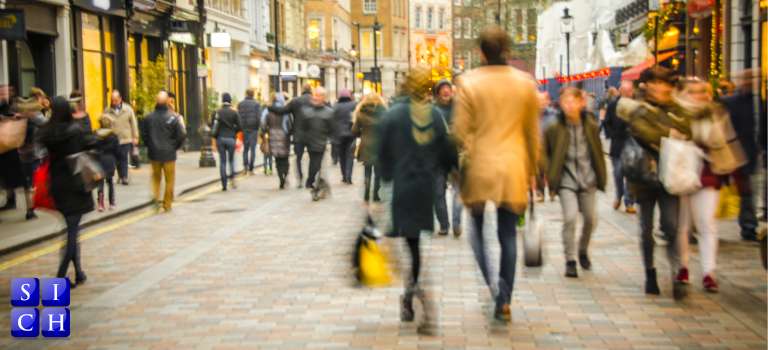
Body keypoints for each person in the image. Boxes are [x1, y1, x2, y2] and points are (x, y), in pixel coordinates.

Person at [453, 27, 540, 321]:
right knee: (507, 236)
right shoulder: (525, 84)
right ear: (508, 50)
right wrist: (534, 170)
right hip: (514, 167)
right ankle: (505, 297)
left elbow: (459, 131)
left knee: (476, 229)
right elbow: (532, 133)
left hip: (480, 166)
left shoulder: (468, 82)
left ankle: (491, 284)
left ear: (480, 52)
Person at [377, 65, 458, 335]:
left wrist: (381, 187)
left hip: (402, 188)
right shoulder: (433, 114)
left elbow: (382, 158)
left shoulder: (392, 115)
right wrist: (447, 170)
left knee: (409, 247)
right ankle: (412, 297)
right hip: (424, 188)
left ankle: (413, 298)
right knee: (414, 248)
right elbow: (448, 152)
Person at [617, 66, 689, 296]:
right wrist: (669, 132)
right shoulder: (637, 108)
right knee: (646, 228)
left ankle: (677, 273)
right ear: (646, 85)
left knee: (671, 225)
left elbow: (688, 130)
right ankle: (650, 272)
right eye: (655, 83)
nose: (660, 88)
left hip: (670, 176)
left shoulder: (677, 108)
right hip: (643, 176)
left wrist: (665, 130)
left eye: (664, 83)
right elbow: (643, 132)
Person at [543, 87, 606, 278]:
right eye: (565, 102)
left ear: (582, 102)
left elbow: (597, 151)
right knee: (569, 218)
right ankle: (570, 259)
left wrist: (601, 175)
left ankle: (583, 249)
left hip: (588, 179)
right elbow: (545, 152)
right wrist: (548, 173)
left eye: (572, 101)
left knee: (590, 219)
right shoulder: (554, 127)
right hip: (566, 180)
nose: (569, 106)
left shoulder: (591, 125)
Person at [673, 77, 727, 297]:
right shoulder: (675, 114)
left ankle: (709, 272)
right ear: (683, 93)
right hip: (680, 174)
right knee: (682, 226)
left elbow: (722, 143)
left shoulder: (714, 113)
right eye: (693, 92)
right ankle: (682, 267)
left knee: (707, 224)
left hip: (706, 174)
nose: (698, 96)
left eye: (702, 92)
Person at [38, 96, 97, 288]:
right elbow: (90, 144)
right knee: (72, 233)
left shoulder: (46, 131)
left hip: (57, 183)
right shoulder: (75, 130)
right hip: (76, 183)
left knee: (72, 228)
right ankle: (59, 278)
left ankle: (79, 273)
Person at [721, 70, 760, 241]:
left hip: (750, 153)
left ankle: (748, 226)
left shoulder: (759, 103)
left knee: (748, 192)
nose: (750, 81)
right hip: (731, 152)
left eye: (754, 78)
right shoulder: (729, 102)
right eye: (747, 78)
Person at [141, 91, 187, 212]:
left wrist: (150, 145)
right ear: (167, 101)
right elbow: (181, 135)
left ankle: (156, 199)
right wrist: (175, 146)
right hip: (169, 154)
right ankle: (167, 204)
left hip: (154, 154)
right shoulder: (173, 117)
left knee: (156, 179)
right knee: (169, 180)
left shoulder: (148, 118)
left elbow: (144, 135)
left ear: (156, 101)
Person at [432, 79, 463, 236]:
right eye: (442, 90)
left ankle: (456, 223)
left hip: (457, 156)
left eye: (448, 89)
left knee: (458, 191)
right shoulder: (432, 110)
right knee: (438, 193)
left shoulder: (460, 109)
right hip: (437, 157)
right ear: (437, 93)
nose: (446, 92)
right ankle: (444, 224)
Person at [15, 88, 50, 220]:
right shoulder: (34, 113)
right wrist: (48, 109)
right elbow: (47, 124)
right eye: (42, 97)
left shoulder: (23, 111)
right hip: (33, 152)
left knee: (28, 182)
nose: (43, 100)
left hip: (23, 151)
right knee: (32, 183)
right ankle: (30, 210)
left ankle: (31, 208)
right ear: (37, 97)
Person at [269, 84, 313, 187]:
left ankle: (300, 179)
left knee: (298, 158)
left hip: (298, 135)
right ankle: (311, 179)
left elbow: (282, 111)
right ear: (311, 90)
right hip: (312, 134)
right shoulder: (314, 100)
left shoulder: (295, 101)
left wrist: (270, 107)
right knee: (313, 158)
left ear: (302, 90)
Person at [604, 80, 637, 213]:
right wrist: (612, 134)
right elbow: (607, 122)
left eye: (629, 91)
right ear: (621, 91)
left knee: (630, 174)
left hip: (632, 144)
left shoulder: (636, 105)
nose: (628, 93)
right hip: (617, 144)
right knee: (618, 173)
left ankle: (629, 202)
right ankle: (619, 195)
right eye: (625, 91)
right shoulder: (613, 104)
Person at [352, 93, 386, 202]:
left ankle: (366, 193)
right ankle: (376, 194)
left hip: (366, 144)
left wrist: (362, 134)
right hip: (380, 145)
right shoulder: (384, 113)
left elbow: (354, 131)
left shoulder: (361, 113)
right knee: (378, 172)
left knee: (367, 170)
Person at [301, 87, 335, 194]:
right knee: (314, 163)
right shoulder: (306, 112)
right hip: (310, 142)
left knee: (316, 163)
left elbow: (332, 128)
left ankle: (312, 182)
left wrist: (331, 139)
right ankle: (313, 181)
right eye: (314, 95)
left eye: (318, 95)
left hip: (321, 142)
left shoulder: (329, 112)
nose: (315, 97)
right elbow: (302, 127)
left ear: (324, 98)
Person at [101, 90, 138, 185]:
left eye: (116, 100)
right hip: (113, 139)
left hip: (126, 138)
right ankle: (121, 176)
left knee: (124, 158)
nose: (114, 102)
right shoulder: (107, 110)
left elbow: (133, 123)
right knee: (117, 159)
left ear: (120, 99)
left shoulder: (128, 109)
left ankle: (124, 177)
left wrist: (135, 137)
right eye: (112, 100)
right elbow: (104, 124)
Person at [212, 93, 243, 191]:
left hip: (220, 139)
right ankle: (232, 179)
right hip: (231, 139)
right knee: (231, 160)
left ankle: (224, 184)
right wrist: (234, 131)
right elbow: (240, 127)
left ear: (222, 100)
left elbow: (213, 127)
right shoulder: (234, 112)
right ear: (230, 101)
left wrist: (214, 140)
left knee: (222, 161)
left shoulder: (217, 112)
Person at [262, 93, 291, 189]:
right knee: (285, 158)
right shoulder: (286, 110)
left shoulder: (268, 110)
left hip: (273, 136)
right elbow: (290, 124)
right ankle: (285, 175)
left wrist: (264, 132)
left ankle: (280, 178)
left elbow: (263, 123)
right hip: (284, 137)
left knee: (278, 160)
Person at [536, 91, 558, 202]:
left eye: (543, 100)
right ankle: (540, 193)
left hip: (551, 146)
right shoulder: (530, 114)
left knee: (551, 169)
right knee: (538, 171)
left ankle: (552, 190)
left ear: (548, 101)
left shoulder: (554, 114)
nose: (541, 103)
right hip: (537, 147)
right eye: (539, 101)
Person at [95, 115, 120, 211]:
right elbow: (117, 150)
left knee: (100, 183)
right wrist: (117, 161)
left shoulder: (96, 134)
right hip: (110, 160)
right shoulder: (113, 136)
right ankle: (112, 203)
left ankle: (101, 204)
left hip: (98, 160)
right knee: (110, 182)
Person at [333, 89, 358, 184]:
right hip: (351, 133)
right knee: (350, 156)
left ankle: (344, 175)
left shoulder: (336, 106)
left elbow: (332, 119)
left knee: (342, 156)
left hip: (339, 135)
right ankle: (349, 176)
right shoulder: (354, 105)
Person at [239, 88, 261, 175]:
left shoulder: (241, 104)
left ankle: (245, 167)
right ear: (253, 94)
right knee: (252, 149)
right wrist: (258, 128)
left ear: (246, 94)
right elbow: (258, 117)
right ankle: (251, 169)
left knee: (245, 149)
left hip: (244, 129)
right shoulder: (256, 104)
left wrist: (240, 128)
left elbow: (239, 117)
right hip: (253, 129)